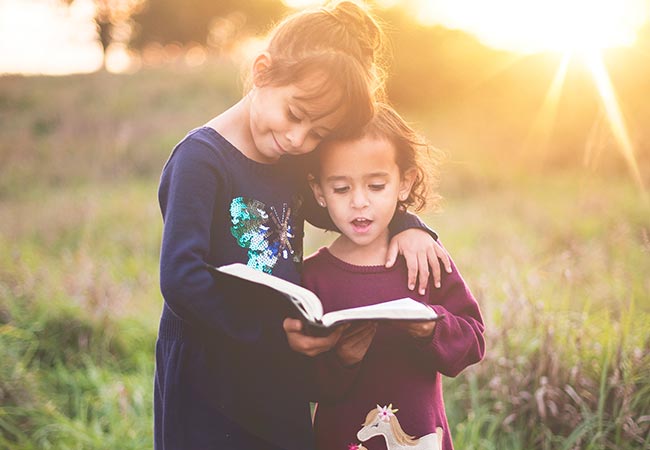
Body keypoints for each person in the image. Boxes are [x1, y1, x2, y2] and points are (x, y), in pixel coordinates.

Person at [154, 2, 451, 450]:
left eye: (317, 134)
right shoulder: (201, 161)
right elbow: (181, 279)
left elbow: (343, 211)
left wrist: (409, 224)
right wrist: (274, 336)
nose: (299, 140)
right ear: (262, 72)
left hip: (278, 370)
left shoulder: (288, 160)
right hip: (209, 372)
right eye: (295, 115)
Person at [304, 103, 486, 450]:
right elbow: (303, 382)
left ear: (404, 183)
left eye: (376, 185)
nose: (359, 202)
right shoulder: (313, 277)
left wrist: (432, 328)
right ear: (319, 192)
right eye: (341, 189)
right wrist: (342, 359)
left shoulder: (424, 259)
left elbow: (473, 341)